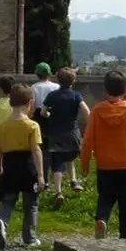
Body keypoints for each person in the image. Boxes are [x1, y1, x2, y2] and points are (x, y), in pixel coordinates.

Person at [80, 70, 126, 240]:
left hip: (105, 166)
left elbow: (88, 140)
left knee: (105, 198)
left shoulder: (96, 112)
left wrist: (84, 164)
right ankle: (125, 235)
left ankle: (101, 220)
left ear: (104, 90)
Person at [0, 83, 44, 250]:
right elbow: (36, 150)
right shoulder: (32, 126)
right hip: (28, 166)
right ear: (29, 103)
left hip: (9, 165)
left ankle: (2, 222)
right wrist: (41, 174)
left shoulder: (4, 125)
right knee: (31, 204)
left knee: (8, 200)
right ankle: (29, 237)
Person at [42, 67, 91, 205]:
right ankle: (74, 182)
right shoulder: (76, 95)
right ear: (73, 81)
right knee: (70, 157)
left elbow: (43, 112)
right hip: (72, 132)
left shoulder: (52, 95)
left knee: (57, 161)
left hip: (56, 133)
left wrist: (49, 115)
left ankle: (58, 192)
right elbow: (86, 111)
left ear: (57, 80)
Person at [29, 62, 59, 131]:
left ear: (37, 74)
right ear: (49, 74)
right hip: (53, 114)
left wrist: (31, 114)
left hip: (38, 114)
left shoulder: (34, 87)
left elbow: (33, 103)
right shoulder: (57, 86)